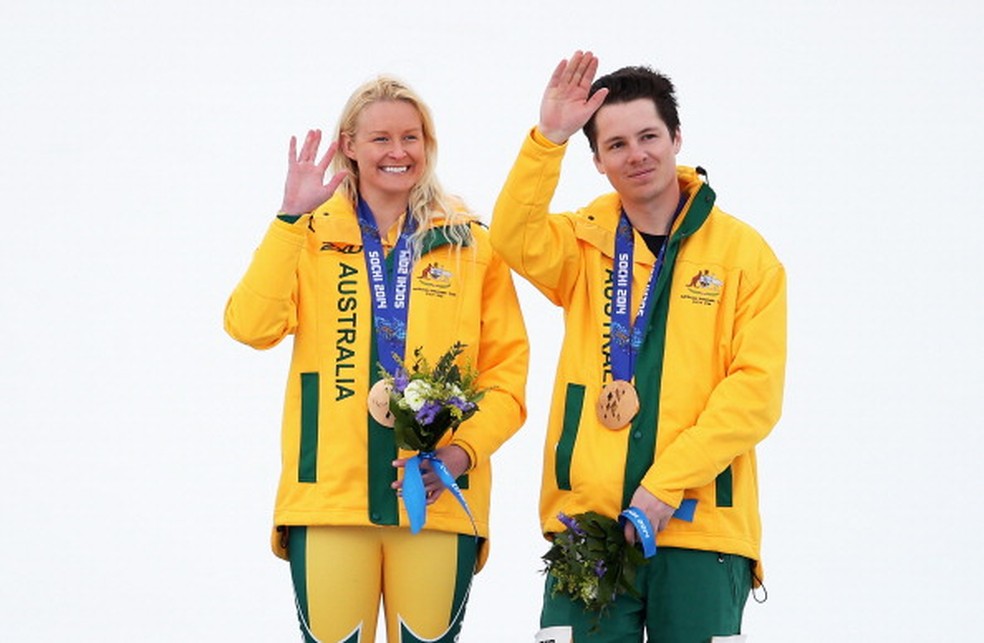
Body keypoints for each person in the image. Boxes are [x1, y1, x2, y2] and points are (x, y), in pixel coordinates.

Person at [490, 51, 786, 642]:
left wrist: (663, 485)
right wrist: (548, 139)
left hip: (704, 531)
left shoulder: (745, 257)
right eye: (617, 144)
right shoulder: (583, 242)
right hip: (589, 529)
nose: (637, 154)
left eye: (649, 135)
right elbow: (513, 238)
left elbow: (755, 394)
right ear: (598, 161)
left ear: (676, 138)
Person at [225, 76, 529, 643]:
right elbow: (250, 326)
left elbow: (507, 379)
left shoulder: (469, 243)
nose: (397, 152)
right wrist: (289, 218)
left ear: (427, 144)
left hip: (436, 497)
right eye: (380, 138)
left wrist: (462, 454)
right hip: (329, 500)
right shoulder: (310, 233)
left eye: (411, 137)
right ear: (349, 146)